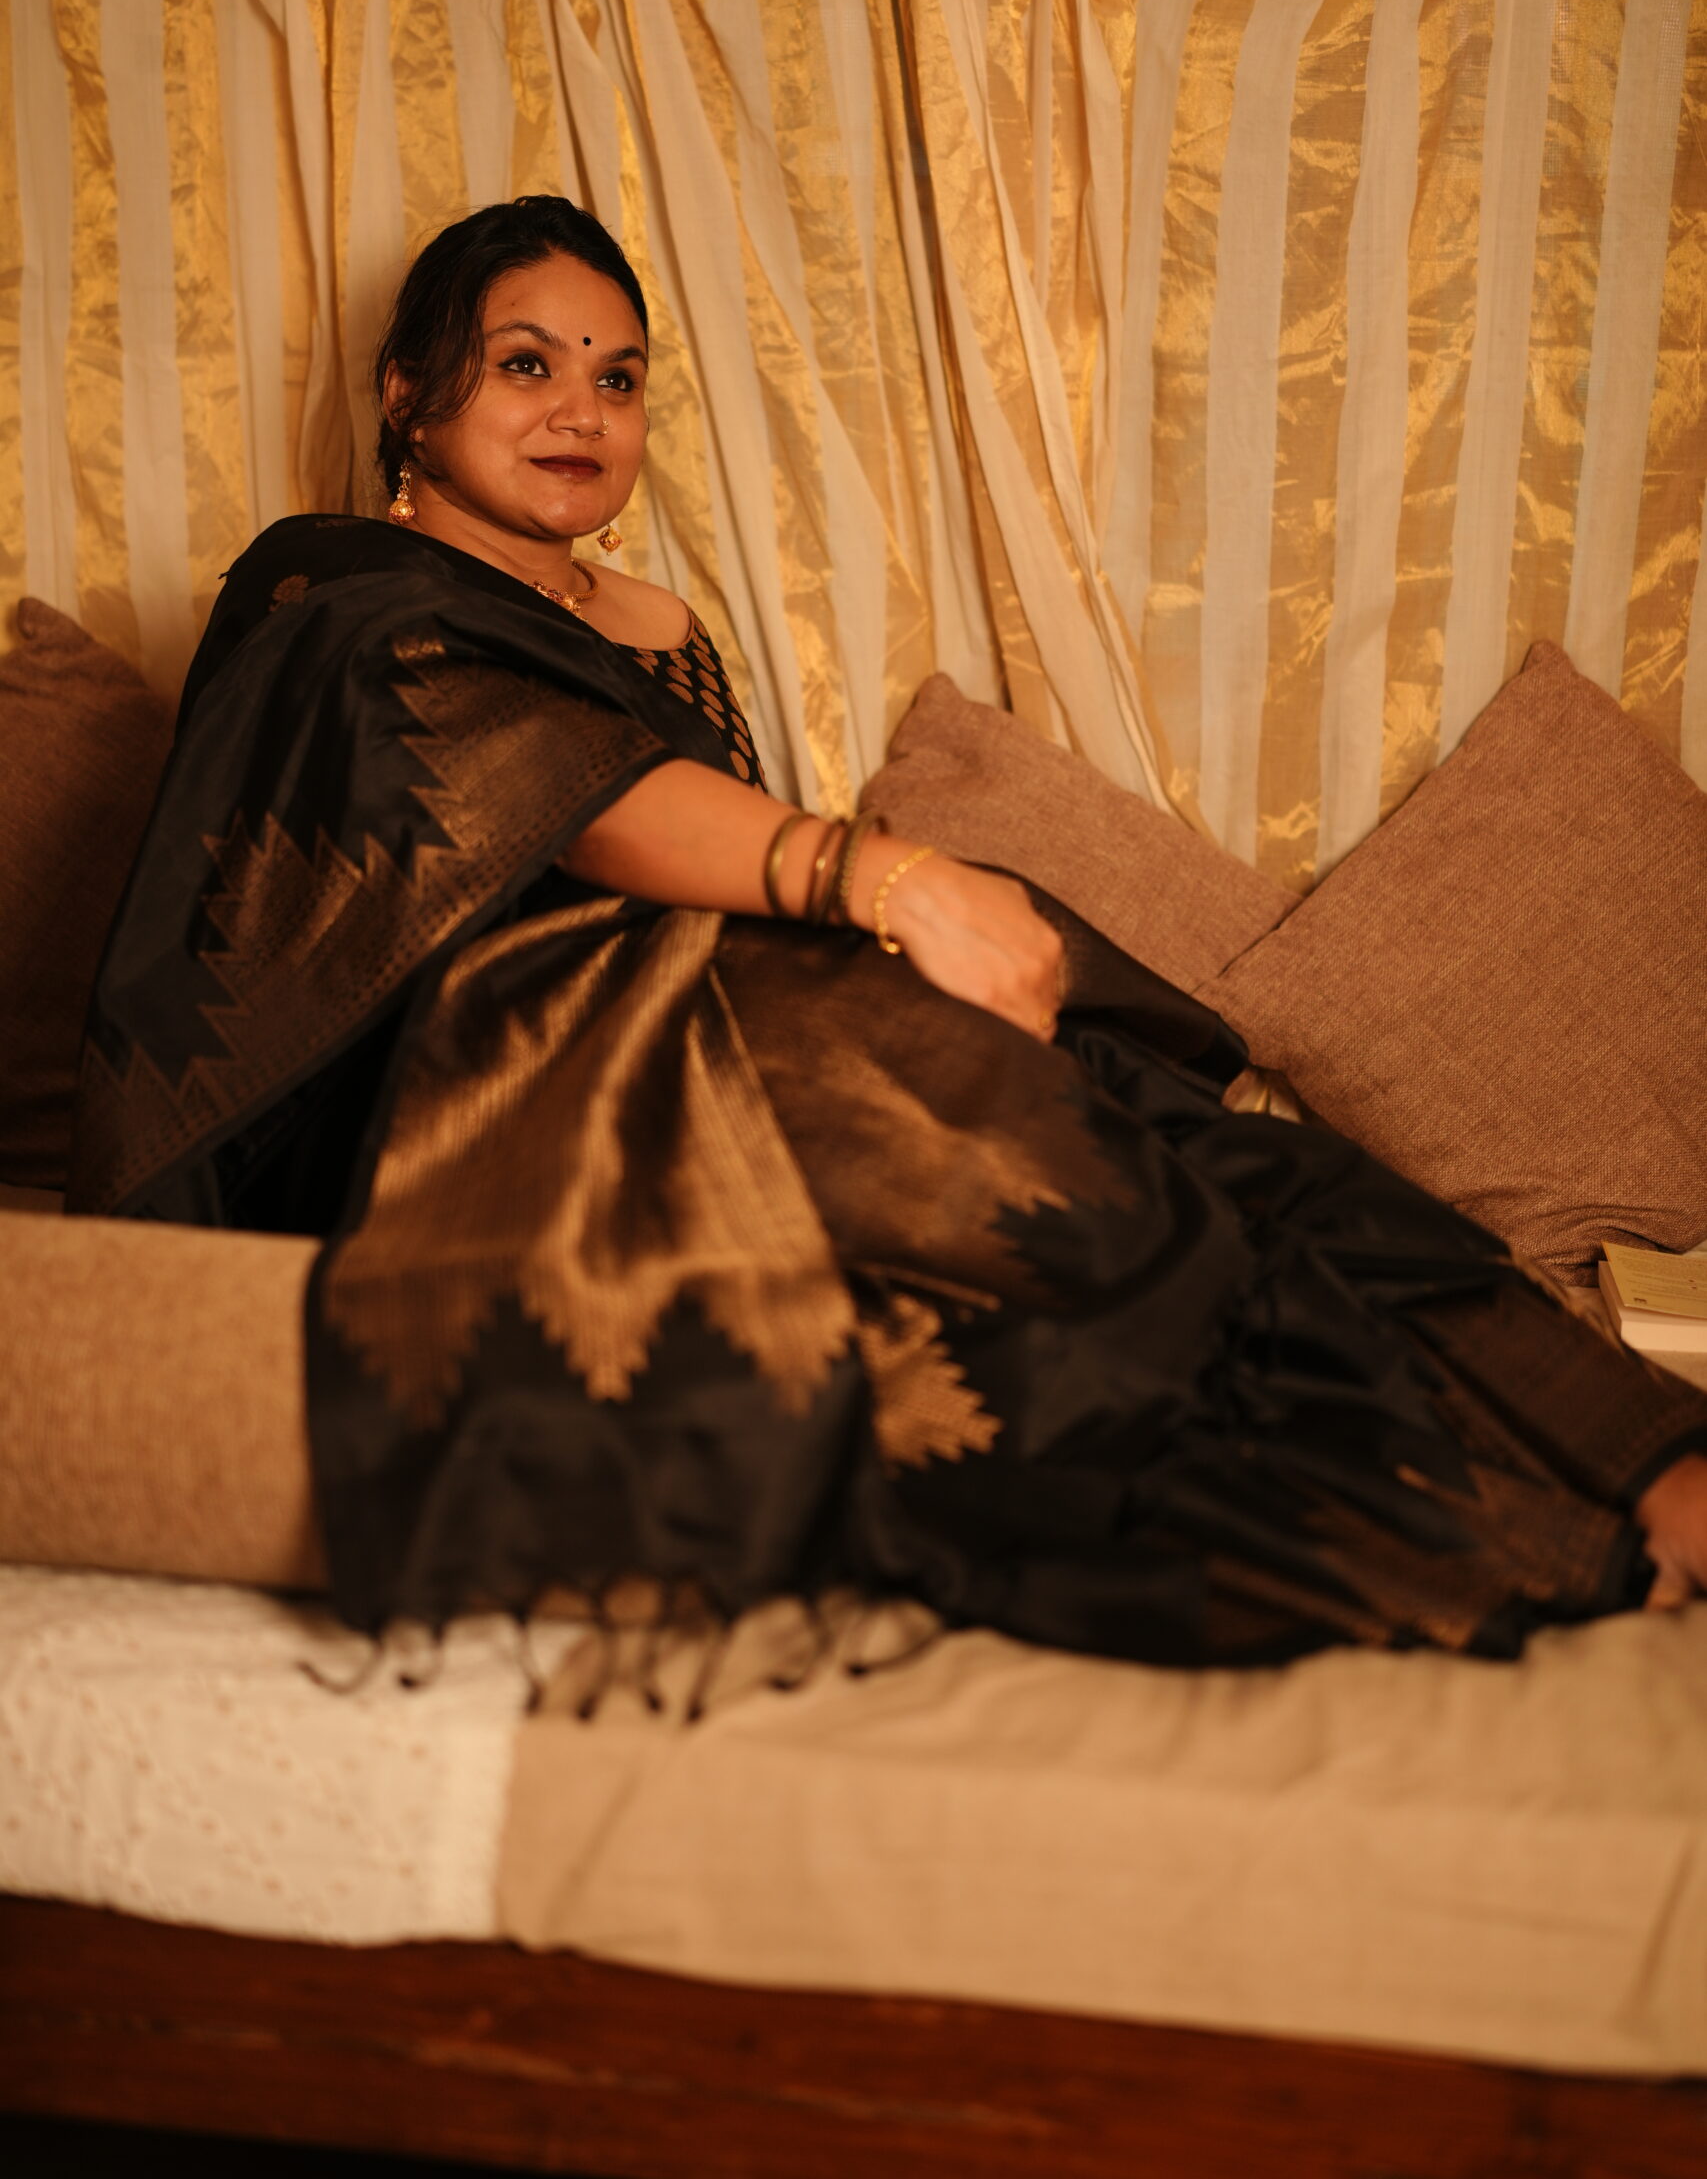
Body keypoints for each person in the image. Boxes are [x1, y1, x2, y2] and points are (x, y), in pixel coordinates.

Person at [70, 196, 1707, 1658]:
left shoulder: (659, 627)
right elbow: (555, 798)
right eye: (525, 365)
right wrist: (894, 883)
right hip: (470, 1107)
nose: (582, 409)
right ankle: (1491, 1533)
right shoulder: (329, 587)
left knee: (1169, 1128)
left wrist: (883, 929)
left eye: (620, 378)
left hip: (711, 1036)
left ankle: (1644, 1453)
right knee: (1033, 1187)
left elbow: (704, 880)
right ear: (407, 396)